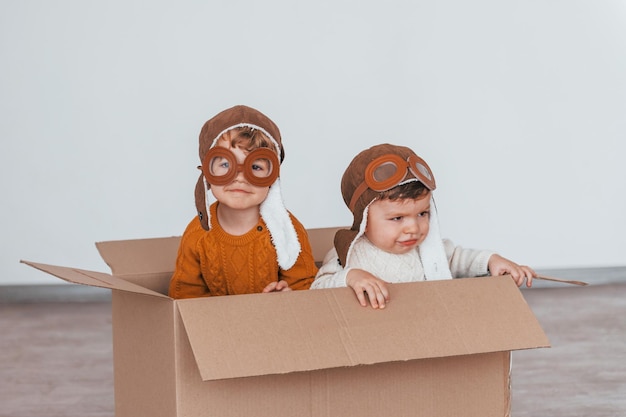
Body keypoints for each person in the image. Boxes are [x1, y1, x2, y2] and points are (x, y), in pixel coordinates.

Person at [311, 143, 536, 308]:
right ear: (364, 219)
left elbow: (458, 258)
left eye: (422, 214)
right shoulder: (350, 254)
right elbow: (317, 288)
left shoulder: (428, 249)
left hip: (427, 331)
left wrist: (491, 260)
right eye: (397, 218)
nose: (413, 228)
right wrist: (350, 277)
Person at [168, 105, 318, 299]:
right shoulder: (197, 235)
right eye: (225, 164)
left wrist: (289, 296)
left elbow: (307, 287)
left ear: (273, 177)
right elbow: (184, 295)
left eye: (255, 166)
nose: (240, 177)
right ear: (207, 171)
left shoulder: (287, 232)